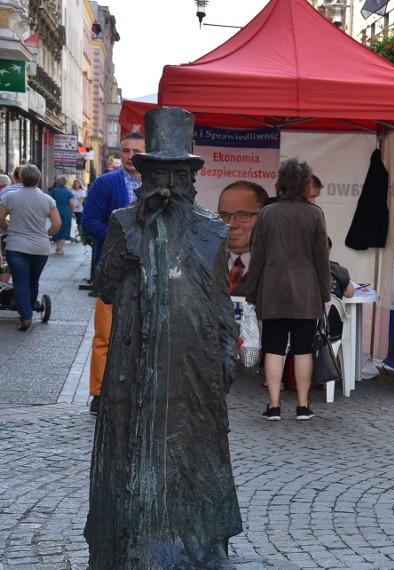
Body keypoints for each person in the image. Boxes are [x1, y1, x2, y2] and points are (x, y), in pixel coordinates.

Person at [84, 106, 241, 568]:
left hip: (193, 369)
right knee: (131, 457)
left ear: (192, 177)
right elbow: (106, 286)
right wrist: (131, 247)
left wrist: (226, 352)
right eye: (160, 172)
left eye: (178, 172)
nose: (169, 183)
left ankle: (199, 547)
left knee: (195, 455)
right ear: (144, 174)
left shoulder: (212, 230)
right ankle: (131, 550)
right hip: (134, 369)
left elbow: (219, 300)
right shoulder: (123, 223)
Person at [245, 158, 330, 422]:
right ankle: (303, 406)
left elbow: (256, 258)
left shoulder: (267, 214)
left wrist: (251, 294)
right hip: (306, 294)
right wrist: (325, 295)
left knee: (274, 348)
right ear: (306, 185)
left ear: (280, 183)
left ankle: (274, 406)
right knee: (303, 349)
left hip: (272, 292)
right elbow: (321, 261)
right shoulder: (315, 214)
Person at [81, 131, 145, 415]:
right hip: (111, 272)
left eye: (136, 151)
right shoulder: (105, 184)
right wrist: (121, 243)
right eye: (125, 150)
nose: (130, 157)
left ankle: (137, 389)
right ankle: (99, 392)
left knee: (143, 334)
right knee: (105, 335)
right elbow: (89, 222)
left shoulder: (157, 186)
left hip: (146, 272)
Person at [0, 164, 61, 330]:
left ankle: (25, 316)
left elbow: (0, 218)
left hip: (16, 245)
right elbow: (57, 224)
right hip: (40, 247)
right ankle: (31, 310)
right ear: (38, 179)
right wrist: (46, 234)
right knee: (33, 281)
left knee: (20, 281)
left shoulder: (10, 197)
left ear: (20, 178)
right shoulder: (47, 199)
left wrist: (9, 228)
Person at [217, 180, 268, 296]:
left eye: (242, 215)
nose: (231, 224)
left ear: (264, 217)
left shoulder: (275, 270)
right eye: (224, 215)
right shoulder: (208, 266)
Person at [50, 175, 74, 255]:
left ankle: (57, 247)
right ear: (65, 182)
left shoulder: (54, 191)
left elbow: (51, 202)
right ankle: (61, 248)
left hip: (55, 210)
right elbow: (71, 204)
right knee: (65, 229)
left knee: (57, 227)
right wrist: (72, 212)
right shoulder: (69, 192)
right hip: (66, 211)